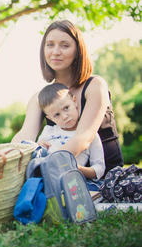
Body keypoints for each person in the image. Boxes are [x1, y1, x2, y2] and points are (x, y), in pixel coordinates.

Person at [12, 20, 123, 176]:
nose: (56, 51)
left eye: (65, 45)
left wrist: (47, 164)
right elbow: (24, 136)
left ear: (78, 51)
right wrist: (8, 153)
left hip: (105, 178)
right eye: (50, 45)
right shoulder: (39, 98)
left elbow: (83, 139)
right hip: (60, 176)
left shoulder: (95, 86)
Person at [37, 83, 105, 184]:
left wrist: (78, 169)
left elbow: (99, 169)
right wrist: (38, 146)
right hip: (46, 179)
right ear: (50, 118)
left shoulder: (89, 134)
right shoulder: (48, 131)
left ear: (74, 102)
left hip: (72, 181)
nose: (64, 116)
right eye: (57, 115)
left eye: (66, 108)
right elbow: (37, 154)